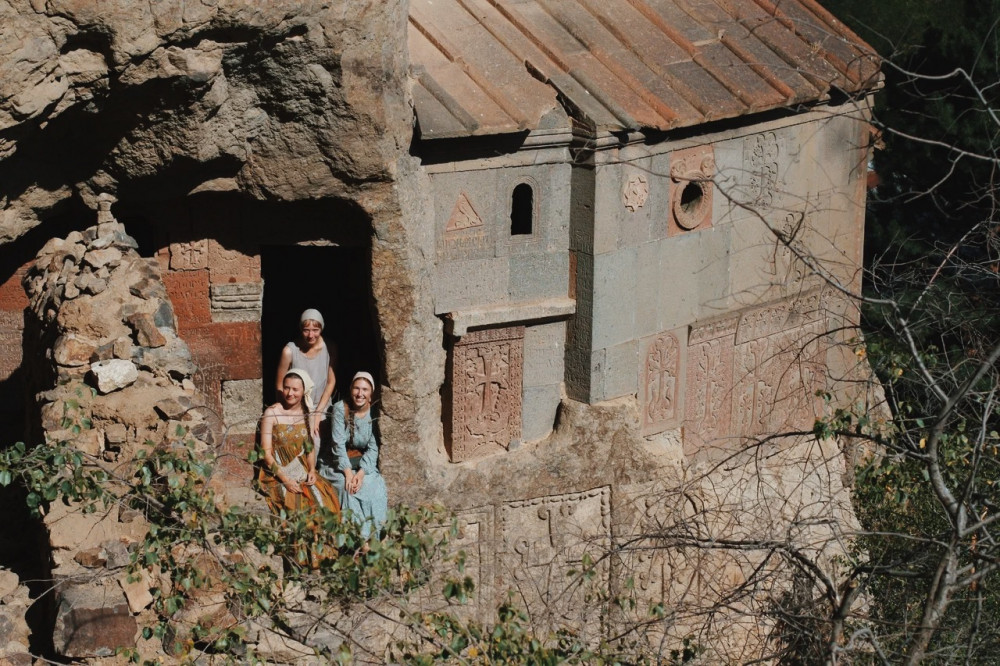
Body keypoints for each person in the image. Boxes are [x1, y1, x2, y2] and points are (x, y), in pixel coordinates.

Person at [258, 368, 341, 517]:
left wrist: (311, 470)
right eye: (287, 388)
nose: (290, 393)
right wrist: (285, 480)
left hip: (301, 467)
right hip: (278, 470)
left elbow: (309, 448)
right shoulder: (271, 413)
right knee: (297, 506)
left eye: (295, 389)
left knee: (326, 499)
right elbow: (266, 453)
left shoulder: (306, 413)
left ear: (303, 391)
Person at [319, 371, 388, 540]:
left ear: (371, 393)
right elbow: (338, 444)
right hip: (336, 462)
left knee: (375, 487)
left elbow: (373, 447)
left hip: (361, 463)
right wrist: (348, 473)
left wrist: (362, 473)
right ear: (350, 390)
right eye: (356, 388)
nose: (360, 393)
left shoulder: (374, 413)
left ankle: (376, 536)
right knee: (347, 488)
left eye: (365, 389)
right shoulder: (339, 409)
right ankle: (359, 540)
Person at [275, 309, 336, 437]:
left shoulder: (329, 348)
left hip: (321, 405)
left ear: (321, 329)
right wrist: (286, 410)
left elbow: (331, 381)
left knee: (318, 441)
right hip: (296, 406)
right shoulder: (290, 351)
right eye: (306, 330)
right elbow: (280, 385)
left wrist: (318, 413)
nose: (310, 335)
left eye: (315, 330)